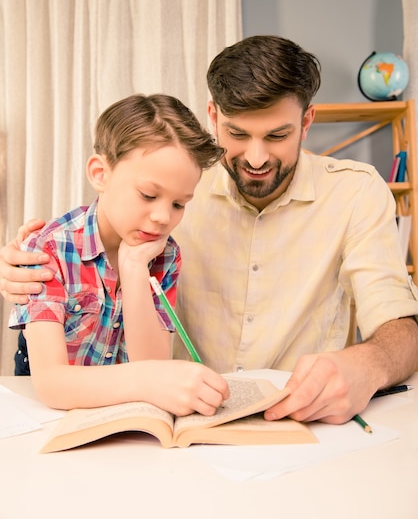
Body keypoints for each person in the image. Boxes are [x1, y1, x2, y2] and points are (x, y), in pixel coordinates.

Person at [2, 36, 418, 425]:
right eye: (237, 134)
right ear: (213, 116)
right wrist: (20, 265)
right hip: (178, 422)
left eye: (277, 135)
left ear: (307, 122)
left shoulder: (356, 193)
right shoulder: (177, 185)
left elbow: (400, 325)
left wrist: (369, 363)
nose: (256, 158)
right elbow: (100, 226)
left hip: (296, 425)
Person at [3, 93, 229, 413]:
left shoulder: (164, 256)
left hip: (122, 415)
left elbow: (151, 364)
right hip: (50, 417)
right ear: (100, 174)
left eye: (179, 204)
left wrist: (135, 266)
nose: (164, 217)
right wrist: (147, 382)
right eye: (149, 195)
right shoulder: (50, 249)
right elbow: (52, 383)